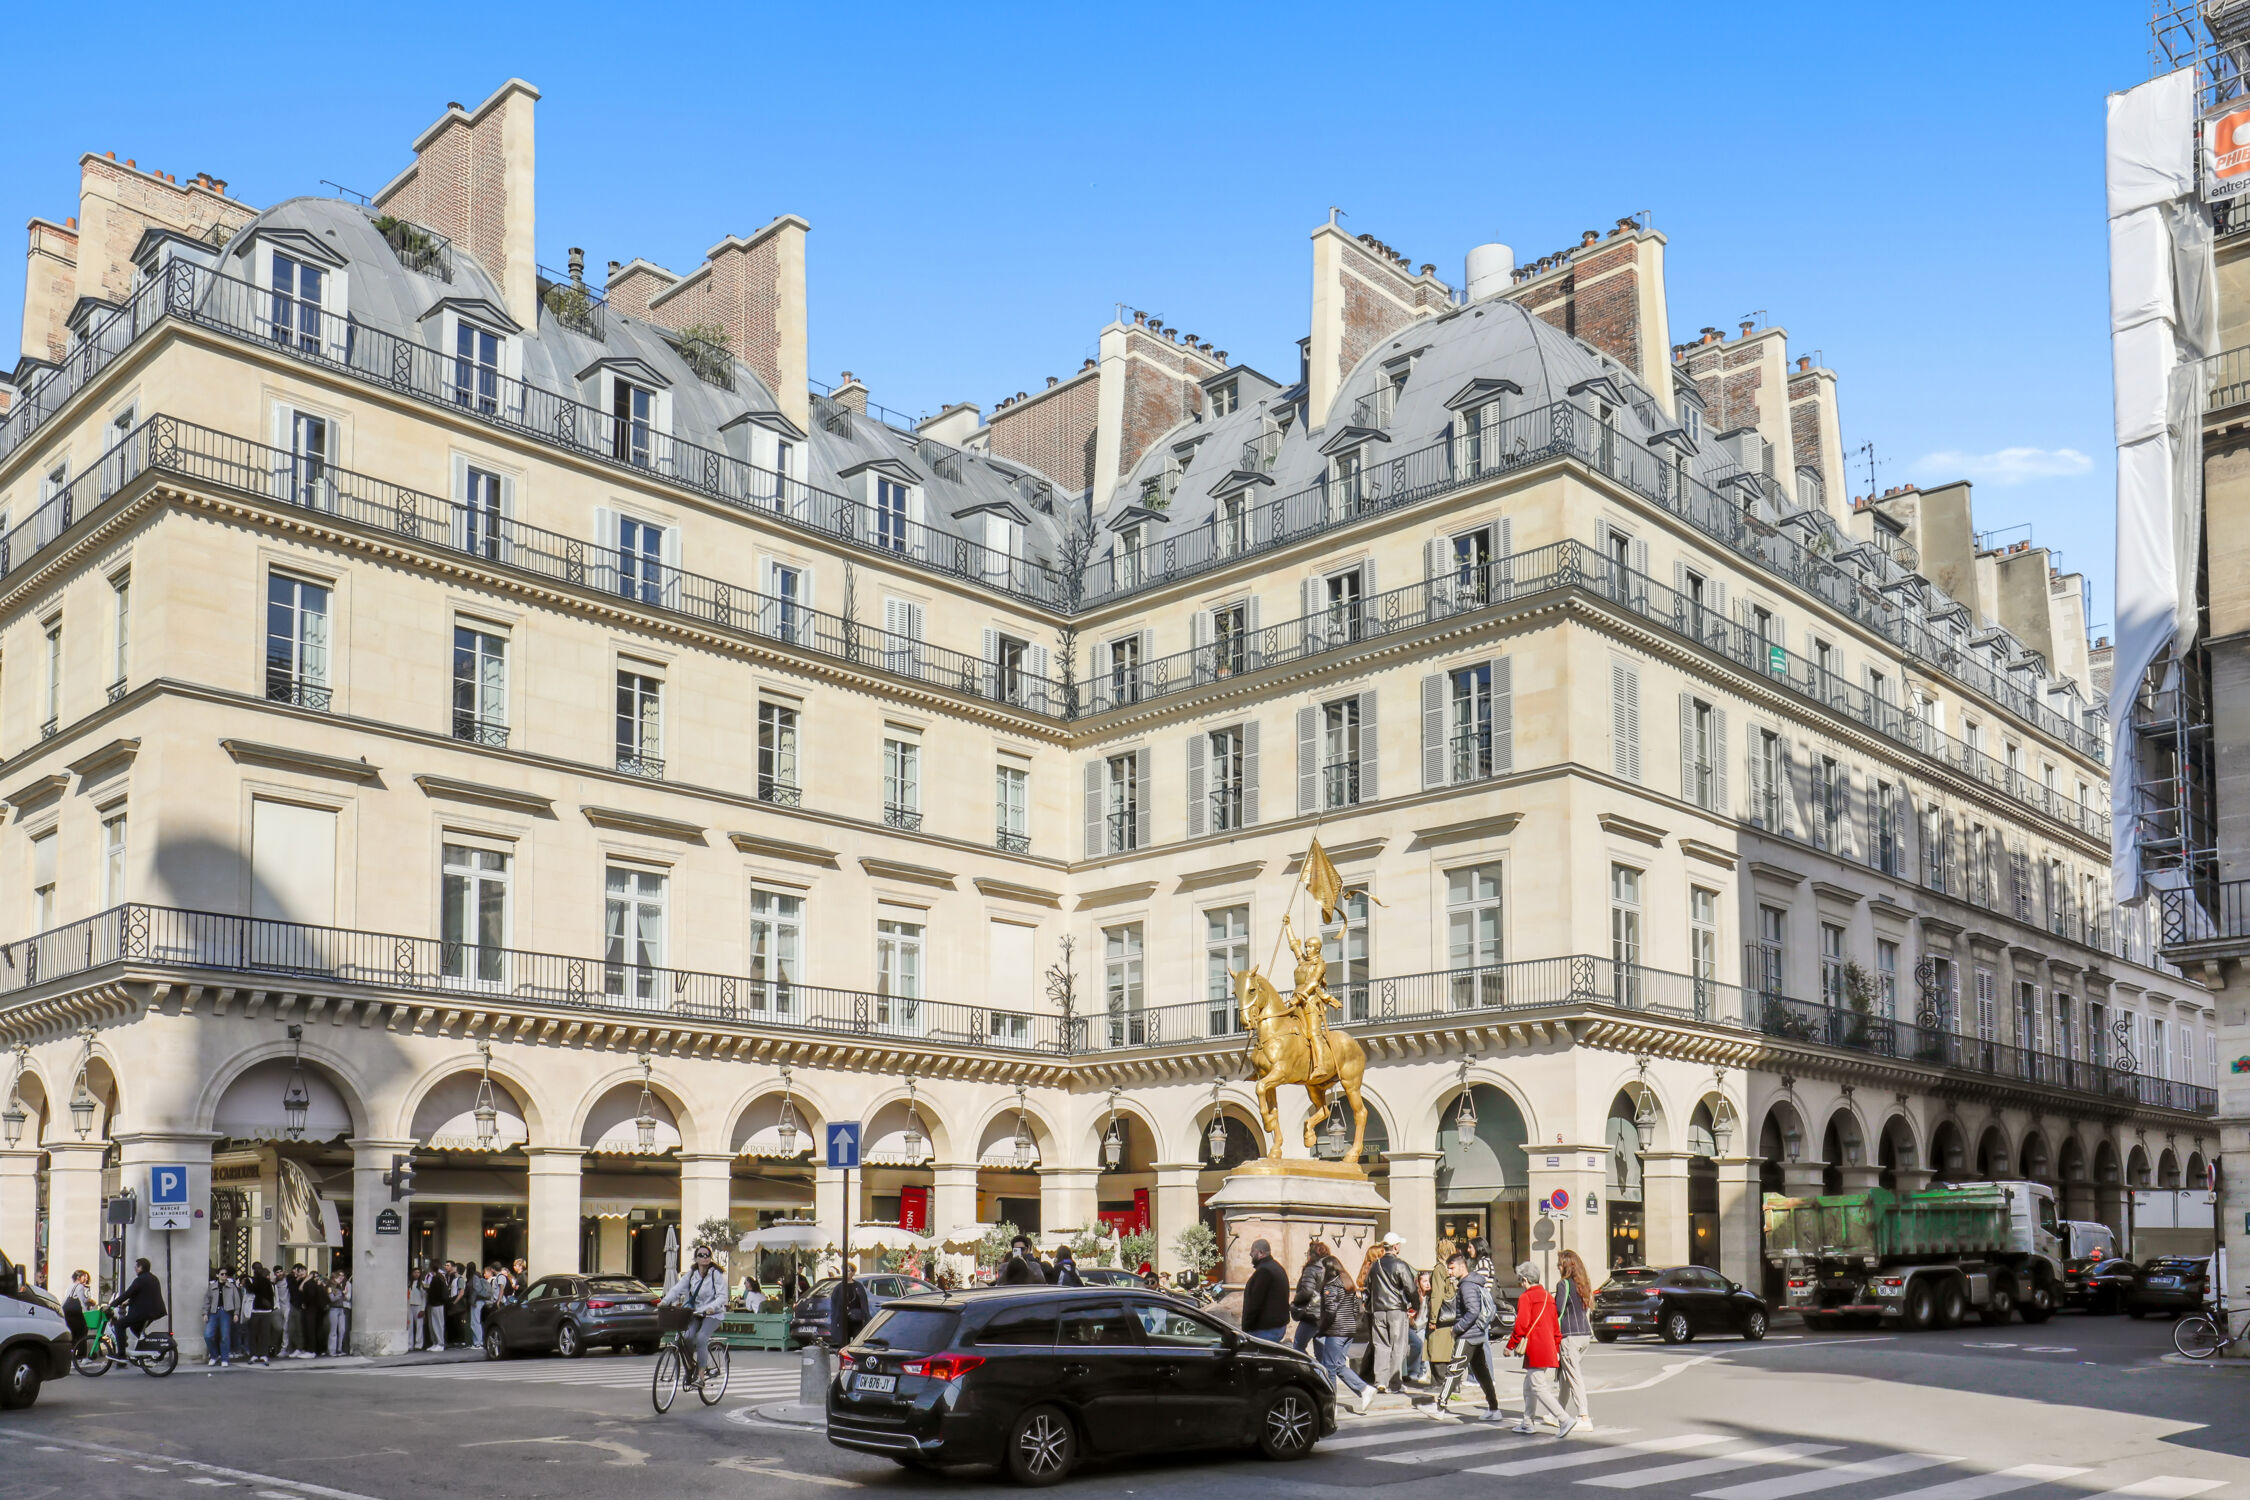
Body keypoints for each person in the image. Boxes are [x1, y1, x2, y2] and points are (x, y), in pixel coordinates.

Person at [1503, 1258, 1576, 1437]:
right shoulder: (1547, 1296)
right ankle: (1527, 1422)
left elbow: (1521, 1325)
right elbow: (1555, 1325)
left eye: (1520, 1280)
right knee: (1529, 1384)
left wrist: (1510, 1345)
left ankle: (1564, 1419)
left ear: (1525, 1279)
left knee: (1537, 1385)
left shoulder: (1526, 1297)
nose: (1520, 1284)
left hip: (1535, 1348)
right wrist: (1557, 1346)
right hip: (1548, 1346)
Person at [1309, 1241, 1376, 1415]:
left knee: (1329, 1367)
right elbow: (1357, 1308)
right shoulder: (1348, 1283)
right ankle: (1364, 1389)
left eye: (1323, 1269)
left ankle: (1330, 1405)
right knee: (1338, 1365)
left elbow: (1330, 1311)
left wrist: (1322, 1329)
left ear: (1329, 1270)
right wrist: (1349, 1322)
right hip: (1349, 1330)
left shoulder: (1331, 1286)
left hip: (1336, 1331)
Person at [1435, 1251, 1501, 1420]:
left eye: (1452, 1268)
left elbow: (1473, 1311)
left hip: (1468, 1335)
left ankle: (1440, 1406)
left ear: (1461, 1266)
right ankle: (1494, 1409)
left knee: (1454, 1369)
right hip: (1477, 1333)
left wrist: (1457, 1328)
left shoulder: (1466, 1286)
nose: (1450, 1272)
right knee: (1482, 1373)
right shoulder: (1473, 1283)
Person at [661, 1243, 730, 1383]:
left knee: (701, 1338)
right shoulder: (691, 1274)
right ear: (696, 1259)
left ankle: (701, 1376)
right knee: (686, 1337)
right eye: (701, 1255)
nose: (704, 1258)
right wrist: (665, 1301)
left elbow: (723, 1296)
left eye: (707, 1255)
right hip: (695, 1313)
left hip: (712, 1314)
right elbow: (677, 1289)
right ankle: (690, 1366)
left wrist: (711, 1307)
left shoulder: (715, 1274)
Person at [1367, 1231, 1420, 1393]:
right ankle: (1394, 1382)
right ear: (1396, 1246)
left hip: (1378, 1310)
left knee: (1381, 1345)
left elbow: (1369, 1286)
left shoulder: (1375, 1265)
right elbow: (1411, 1288)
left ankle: (1380, 1381)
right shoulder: (1400, 1265)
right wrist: (1416, 1305)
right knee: (1398, 1346)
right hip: (1396, 1309)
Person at [1553, 1249, 1595, 1431]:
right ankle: (1558, 1413)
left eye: (1560, 1263)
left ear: (1566, 1266)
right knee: (1566, 1377)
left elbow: (1558, 1310)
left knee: (1573, 1376)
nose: (1557, 1266)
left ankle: (1584, 1416)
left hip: (1569, 1335)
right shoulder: (1582, 1284)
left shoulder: (1563, 1285)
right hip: (1585, 1334)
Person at [111, 1256, 165, 1354]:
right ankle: (145, 1349)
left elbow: (128, 1293)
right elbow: (145, 1296)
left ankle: (121, 1355)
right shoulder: (153, 1278)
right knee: (135, 1328)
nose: (135, 1269)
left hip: (143, 1312)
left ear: (140, 1268)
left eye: (136, 1267)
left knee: (119, 1325)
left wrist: (112, 1304)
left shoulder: (140, 1280)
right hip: (154, 1311)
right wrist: (127, 1303)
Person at [1241, 1239, 1290, 1343]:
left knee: (1256, 1358)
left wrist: (1246, 1327)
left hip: (1265, 1329)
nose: (1250, 1254)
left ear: (1261, 1253)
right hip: (1276, 1327)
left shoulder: (1264, 1271)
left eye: (1252, 1251)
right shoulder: (1276, 1267)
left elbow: (1255, 1303)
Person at [827, 1262, 870, 1347]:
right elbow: (834, 1305)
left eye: (849, 1271)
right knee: (843, 1343)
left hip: (857, 1319)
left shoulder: (858, 1286)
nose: (846, 1273)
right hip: (843, 1320)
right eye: (845, 1270)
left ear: (853, 1273)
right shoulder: (839, 1288)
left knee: (857, 1342)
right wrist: (835, 1321)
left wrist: (865, 1317)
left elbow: (864, 1303)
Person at [243, 1263, 277, 1365]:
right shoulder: (263, 1281)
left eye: (258, 1269)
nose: (257, 1270)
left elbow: (253, 1290)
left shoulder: (253, 1281)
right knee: (259, 1334)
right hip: (260, 1310)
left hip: (260, 1310)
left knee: (259, 1334)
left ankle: (259, 1354)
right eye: (256, 1269)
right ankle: (259, 1354)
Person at [1404, 1269, 1433, 1385]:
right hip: (1412, 1326)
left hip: (1424, 1326)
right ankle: (1413, 1370)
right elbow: (1413, 1318)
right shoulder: (1415, 1296)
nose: (1427, 1284)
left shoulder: (1431, 1296)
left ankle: (1423, 1371)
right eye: (1424, 1281)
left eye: (1429, 1281)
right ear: (1418, 1282)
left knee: (1425, 1342)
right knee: (1418, 1343)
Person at [295, 1266, 330, 1357]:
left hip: (311, 1309)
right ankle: (318, 1350)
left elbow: (308, 1294)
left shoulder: (309, 1283)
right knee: (316, 1329)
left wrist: (305, 1303)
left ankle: (311, 1351)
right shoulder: (318, 1283)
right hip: (319, 1309)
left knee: (310, 1329)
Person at [61, 1268, 97, 1346]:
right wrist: (91, 1301)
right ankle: (81, 1354)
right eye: (84, 1276)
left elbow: (64, 1300)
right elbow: (83, 1300)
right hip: (77, 1313)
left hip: (67, 1312)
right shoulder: (80, 1286)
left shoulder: (70, 1287)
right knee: (82, 1332)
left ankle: (72, 1351)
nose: (86, 1279)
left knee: (72, 1332)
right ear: (78, 1277)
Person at [423, 1262, 449, 1351]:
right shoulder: (439, 1277)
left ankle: (440, 1343)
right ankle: (436, 1343)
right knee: (435, 1324)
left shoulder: (436, 1278)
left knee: (437, 1324)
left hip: (436, 1303)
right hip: (436, 1303)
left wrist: (428, 1290)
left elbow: (435, 1292)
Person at [327, 1272, 351, 1357]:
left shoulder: (340, 1287)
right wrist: (340, 1294)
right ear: (333, 1279)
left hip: (341, 1309)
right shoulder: (330, 1287)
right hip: (334, 1309)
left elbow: (343, 1298)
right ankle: (332, 1350)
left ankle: (339, 1349)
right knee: (333, 1331)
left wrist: (344, 1294)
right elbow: (332, 1299)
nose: (340, 1279)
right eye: (338, 1278)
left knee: (342, 1329)